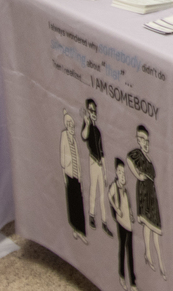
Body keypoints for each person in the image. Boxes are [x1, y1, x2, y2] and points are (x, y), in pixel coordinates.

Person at [127, 125, 164, 280]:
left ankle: (158, 260)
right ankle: (149, 254)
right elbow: (129, 159)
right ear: (138, 139)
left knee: (154, 227)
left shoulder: (148, 157)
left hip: (152, 195)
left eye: (146, 140)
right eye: (142, 139)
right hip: (144, 192)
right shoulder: (138, 154)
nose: (145, 142)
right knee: (148, 224)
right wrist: (137, 174)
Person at [81, 99, 113, 237]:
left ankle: (104, 222)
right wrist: (87, 122)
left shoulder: (98, 131)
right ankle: (92, 215)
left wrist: (105, 172)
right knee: (93, 189)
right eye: (91, 110)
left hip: (100, 163)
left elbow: (102, 152)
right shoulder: (88, 127)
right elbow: (84, 136)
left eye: (94, 110)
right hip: (93, 161)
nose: (93, 112)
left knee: (102, 193)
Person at [59, 109, 88, 245]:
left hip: (76, 175)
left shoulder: (75, 139)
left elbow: (78, 156)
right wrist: (65, 172)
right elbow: (63, 155)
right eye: (69, 123)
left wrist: (81, 177)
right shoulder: (64, 136)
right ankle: (76, 229)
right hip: (69, 174)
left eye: (72, 124)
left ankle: (81, 230)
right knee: (72, 202)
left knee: (79, 203)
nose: (71, 126)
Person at [108, 158, 138, 290]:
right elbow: (109, 196)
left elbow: (128, 200)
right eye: (119, 171)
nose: (122, 174)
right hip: (121, 222)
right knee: (122, 248)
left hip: (128, 223)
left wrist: (130, 212)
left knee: (130, 251)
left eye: (123, 171)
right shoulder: (115, 186)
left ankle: (133, 281)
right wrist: (117, 208)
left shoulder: (124, 186)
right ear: (116, 172)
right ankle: (121, 275)